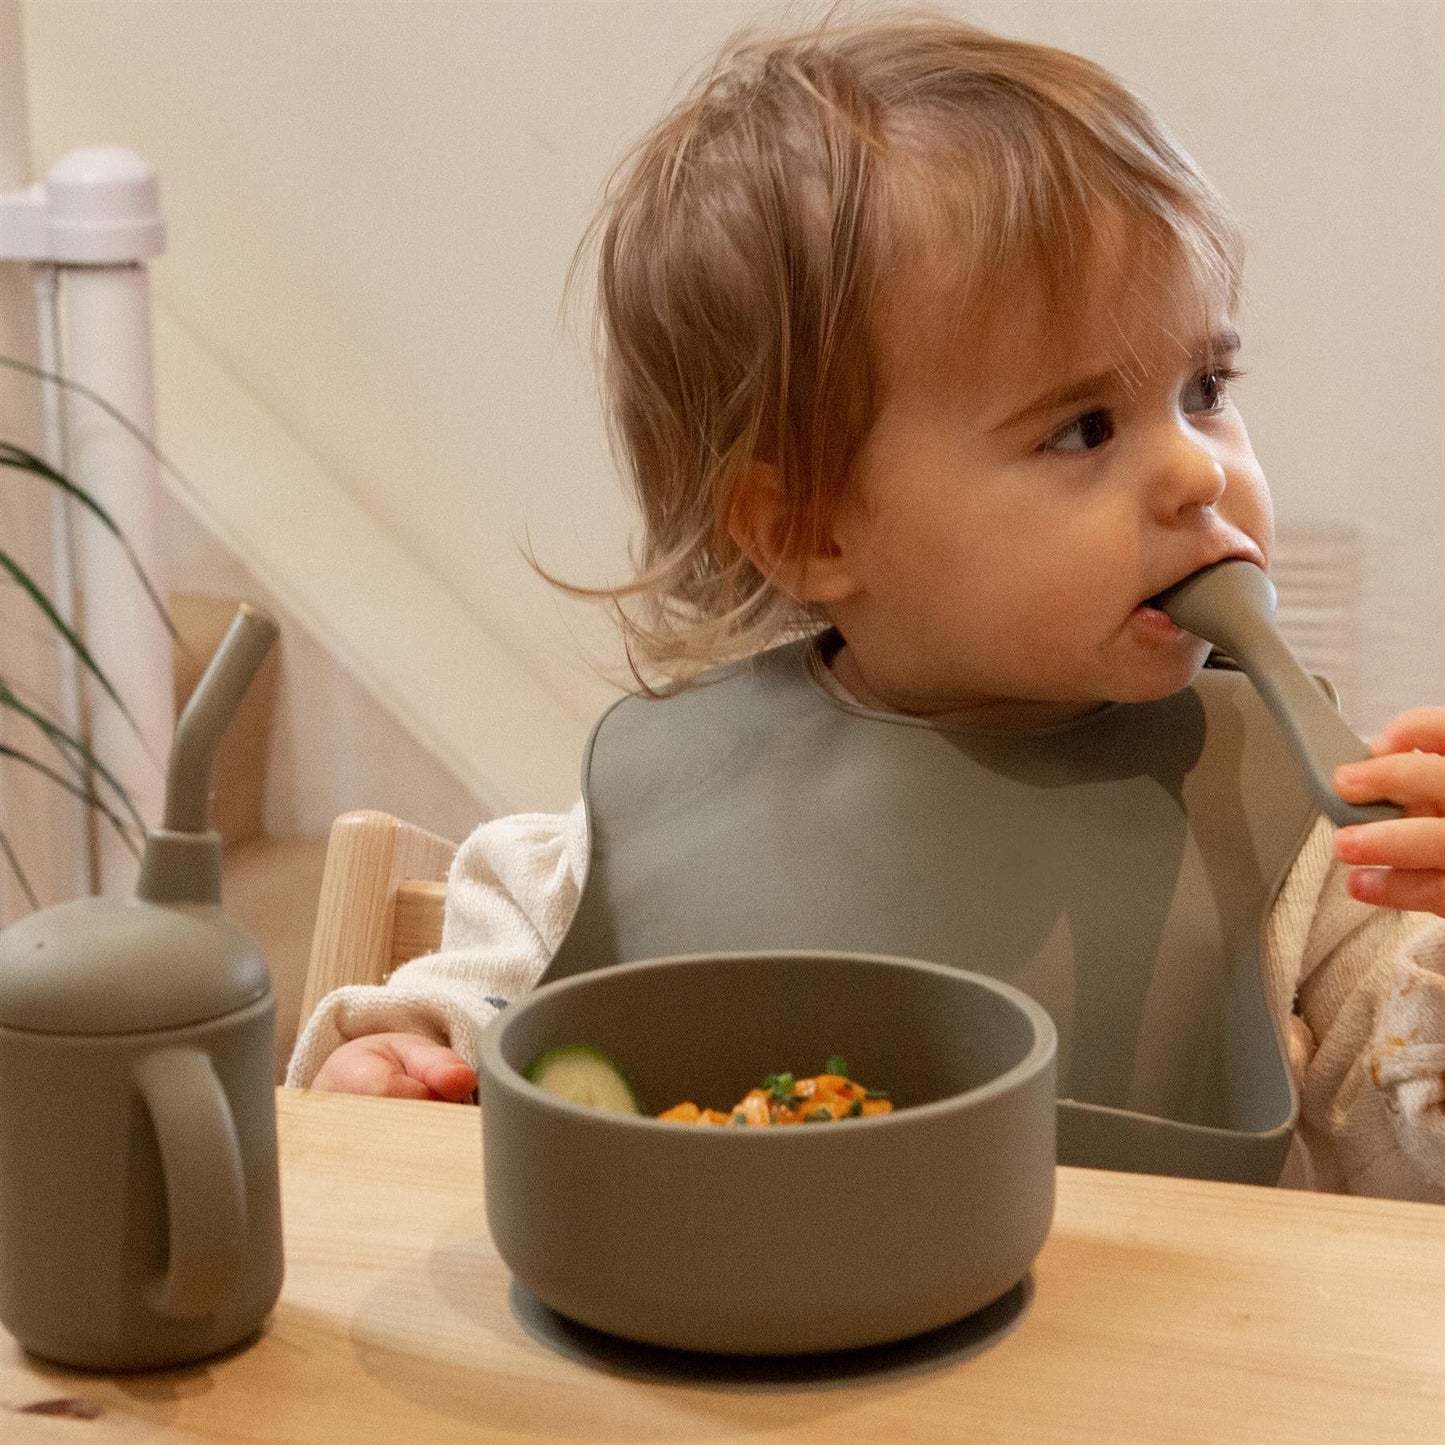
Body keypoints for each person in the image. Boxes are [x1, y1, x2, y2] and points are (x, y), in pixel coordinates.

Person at [286, 12, 1445, 1199]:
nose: (1197, 469)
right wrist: (410, 1064)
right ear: (811, 529)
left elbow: (1413, 1170)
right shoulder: (639, 836)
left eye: (1204, 386)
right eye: (1080, 428)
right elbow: (479, 1027)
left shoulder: (1299, 841)